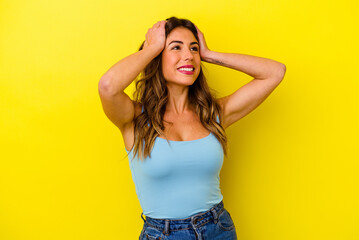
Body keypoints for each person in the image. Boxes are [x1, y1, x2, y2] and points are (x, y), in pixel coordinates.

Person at [98, 16, 286, 240]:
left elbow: (275, 72)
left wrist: (209, 55)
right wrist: (152, 48)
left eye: (193, 48)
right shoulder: (134, 118)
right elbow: (108, 87)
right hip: (162, 234)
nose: (188, 55)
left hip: (218, 228)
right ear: (157, 57)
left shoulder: (213, 114)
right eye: (175, 47)